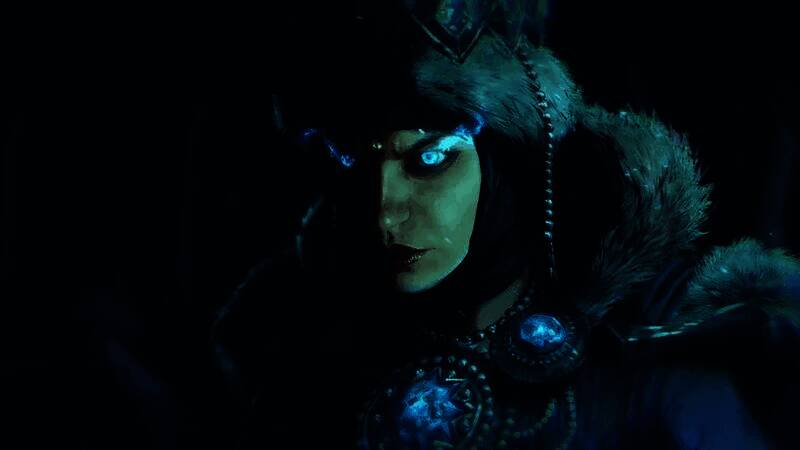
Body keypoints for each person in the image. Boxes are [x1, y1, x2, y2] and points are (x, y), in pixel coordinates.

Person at [213, 2, 800, 448]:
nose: (386, 210)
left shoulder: (648, 369)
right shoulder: (294, 362)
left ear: (504, 164)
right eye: (356, 167)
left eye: (429, 160)